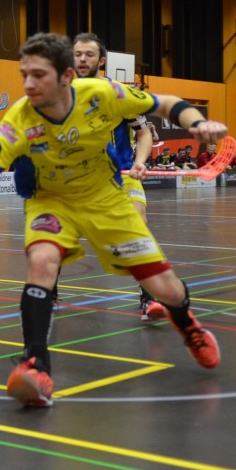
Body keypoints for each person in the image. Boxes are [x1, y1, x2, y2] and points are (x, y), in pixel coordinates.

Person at [0, 33, 226, 407]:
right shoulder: (18, 120)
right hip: (50, 202)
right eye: (24, 74)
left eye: (38, 75)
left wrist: (196, 122)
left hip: (106, 200)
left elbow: (167, 103)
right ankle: (35, 364)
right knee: (42, 261)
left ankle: (187, 324)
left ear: (65, 76)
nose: (28, 84)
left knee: (168, 291)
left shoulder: (101, 94)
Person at [70, 32, 165, 322]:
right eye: (78, 54)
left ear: (101, 60)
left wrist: (139, 161)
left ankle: (149, 300)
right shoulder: (62, 96)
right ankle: (46, 298)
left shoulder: (119, 94)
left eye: (89, 54)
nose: (83, 59)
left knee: (139, 226)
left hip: (124, 174)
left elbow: (143, 132)